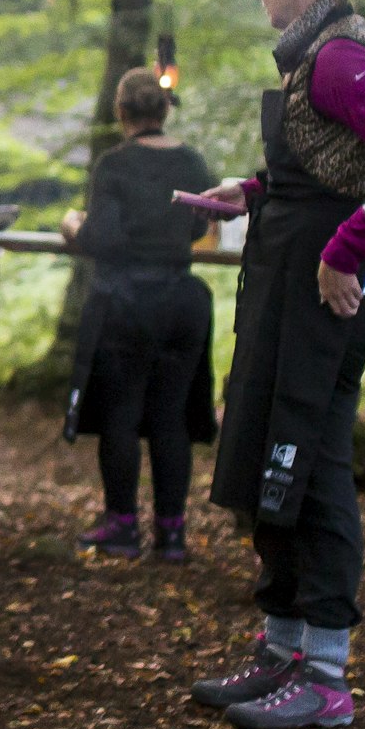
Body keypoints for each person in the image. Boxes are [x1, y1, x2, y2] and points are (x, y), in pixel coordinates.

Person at [182, 0, 365, 729]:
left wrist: (347, 250)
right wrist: (254, 193)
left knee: (314, 457)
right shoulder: (313, 59)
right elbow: (333, 168)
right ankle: (281, 647)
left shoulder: (337, 59)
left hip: (327, 295)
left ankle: (325, 675)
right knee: (269, 447)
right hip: (287, 285)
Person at [60, 67, 216, 560]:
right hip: (182, 301)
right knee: (171, 419)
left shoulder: (114, 165)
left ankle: (123, 526)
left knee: (122, 418)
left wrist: (71, 226)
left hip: (127, 304)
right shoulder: (193, 163)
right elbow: (197, 228)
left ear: (121, 112)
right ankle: (171, 534)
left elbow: (103, 238)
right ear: (165, 110)